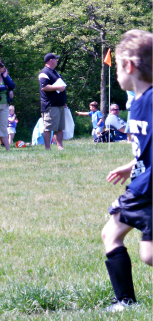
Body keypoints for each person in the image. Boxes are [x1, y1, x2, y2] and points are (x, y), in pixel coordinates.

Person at [101, 29, 153, 312]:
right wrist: (131, 164)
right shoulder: (137, 104)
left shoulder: (151, 101)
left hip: (148, 190)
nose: (117, 73)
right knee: (111, 233)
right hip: (139, 187)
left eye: (118, 66)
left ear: (129, 66)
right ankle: (125, 302)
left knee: (149, 255)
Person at [38, 53, 67, 150]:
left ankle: (60, 146)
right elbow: (44, 87)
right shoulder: (44, 73)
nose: (57, 60)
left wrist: (64, 101)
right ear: (51, 60)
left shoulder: (55, 72)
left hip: (59, 104)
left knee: (59, 127)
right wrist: (58, 87)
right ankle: (47, 147)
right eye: (56, 59)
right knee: (49, 127)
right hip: (50, 105)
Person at [0, 59, 16, 151]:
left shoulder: (5, 76)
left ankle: (7, 149)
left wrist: (5, 77)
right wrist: (6, 87)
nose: (4, 67)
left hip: (5, 105)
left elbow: (12, 86)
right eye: (2, 66)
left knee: (4, 127)